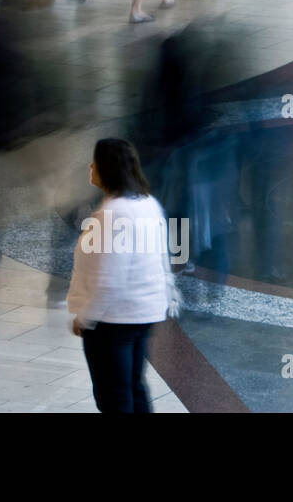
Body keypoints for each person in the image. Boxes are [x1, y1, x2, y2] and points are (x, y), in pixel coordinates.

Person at [67, 138, 176, 413]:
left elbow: (110, 280)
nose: (90, 166)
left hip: (113, 319)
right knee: (133, 387)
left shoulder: (113, 213)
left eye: (96, 161)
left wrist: (85, 317)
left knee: (113, 396)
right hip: (144, 313)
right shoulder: (147, 203)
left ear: (107, 169)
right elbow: (163, 259)